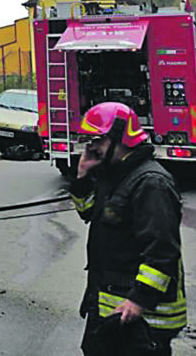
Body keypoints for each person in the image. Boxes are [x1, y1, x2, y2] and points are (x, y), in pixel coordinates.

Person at [69, 102, 186, 356]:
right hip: (110, 307)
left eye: (96, 140)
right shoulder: (115, 175)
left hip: (141, 319)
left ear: (119, 139)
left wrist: (138, 300)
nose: (91, 146)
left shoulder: (151, 183)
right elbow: (88, 211)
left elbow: (162, 251)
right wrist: (82, 176)